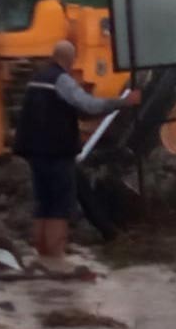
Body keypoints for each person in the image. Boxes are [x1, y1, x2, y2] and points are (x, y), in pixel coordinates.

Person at [12, 40, 141, 265]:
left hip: (34, 151)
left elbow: (57, 109)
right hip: (56, 151)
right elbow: (88, 105)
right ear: (70, 60)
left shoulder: (37, 80)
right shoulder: (62, 80)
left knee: (43, 204)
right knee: (59, 207)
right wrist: (123, 102)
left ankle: (41, 258)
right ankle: (56, 259)